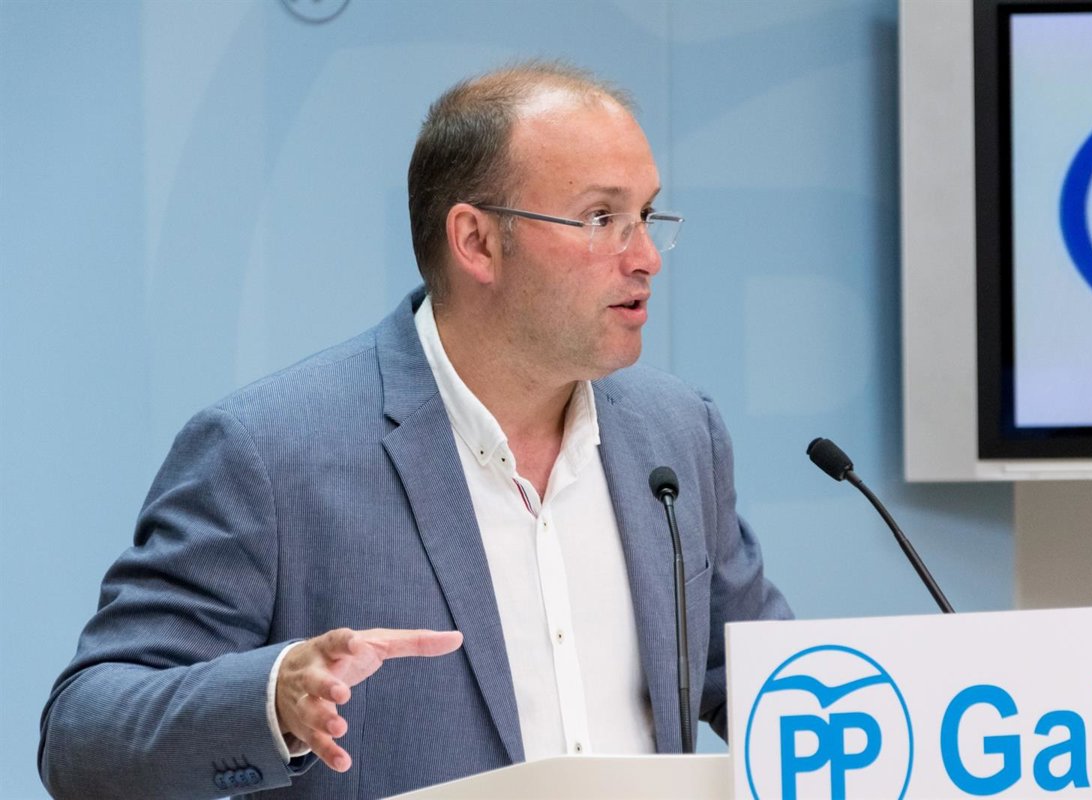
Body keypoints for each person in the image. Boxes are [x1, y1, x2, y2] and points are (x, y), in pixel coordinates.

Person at [39, 60, 792, 799]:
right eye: (602, 219)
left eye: (647, 216)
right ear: (476, 241)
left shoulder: (676, 434)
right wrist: (271, 699)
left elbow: (770, 682)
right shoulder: (271, 452)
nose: (647, 258)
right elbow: (83, 734)